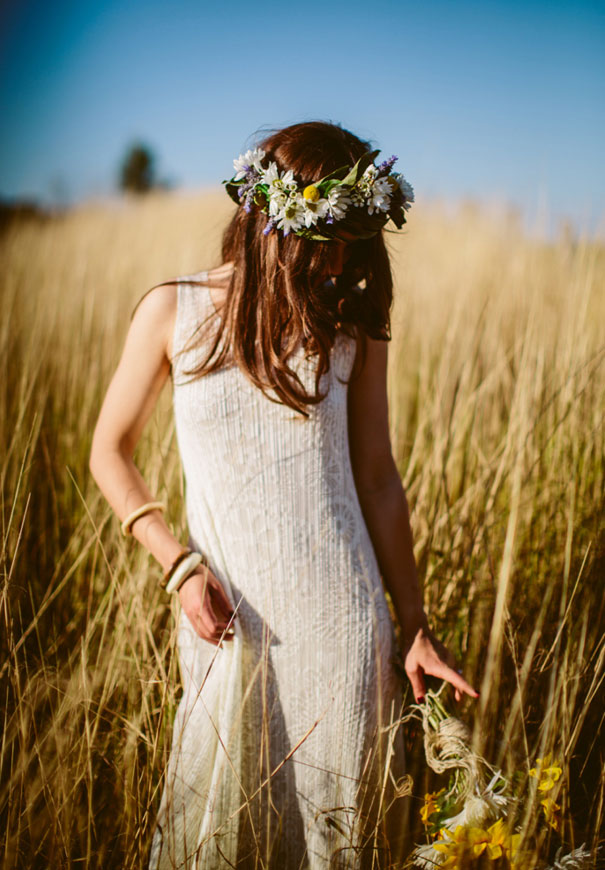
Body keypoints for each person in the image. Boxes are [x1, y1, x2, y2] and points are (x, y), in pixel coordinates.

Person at [89, 120, 479, 870]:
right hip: (226, 626)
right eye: (325, 241)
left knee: (337, 842)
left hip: (343, 630)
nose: (336, 264)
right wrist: (177, 564)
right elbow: (110, 451)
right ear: (271, 221)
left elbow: (377, 476)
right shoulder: (172, 309)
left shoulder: (350, 328)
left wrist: (415, 627)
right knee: (216, 834)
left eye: (352, 246)